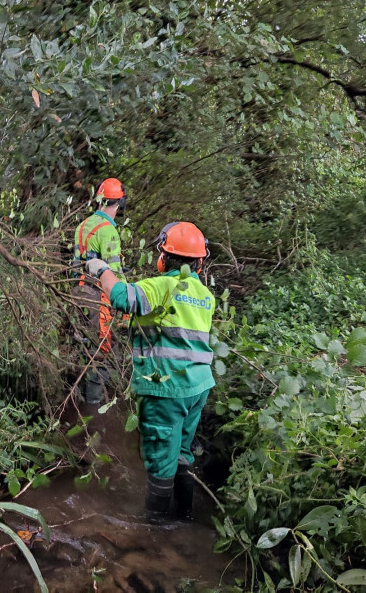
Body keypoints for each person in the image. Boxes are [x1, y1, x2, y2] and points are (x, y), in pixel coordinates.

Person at [85, 221, 214, 522]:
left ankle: (155, 530)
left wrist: (100, 268)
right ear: (199, 262)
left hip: (166, 389)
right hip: (197, 388)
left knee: (160, 459)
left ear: (163, 257)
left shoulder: (163, 285)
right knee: (181, 452)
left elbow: (121, 298)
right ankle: (185, 519)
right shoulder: (205, 295)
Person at [72, 178, 127, 403]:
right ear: (119, 203)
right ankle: (93, 408)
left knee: (83, 346)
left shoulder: (82, 225)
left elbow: (77, 263)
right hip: (98, 297)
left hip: (78, 292)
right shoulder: (108, 231)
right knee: (101, 351)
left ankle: (79, 396)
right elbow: (113, 275)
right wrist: (124, 304)